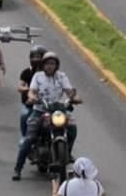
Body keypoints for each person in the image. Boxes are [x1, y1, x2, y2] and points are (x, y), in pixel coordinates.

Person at [13, 52, 78, 180]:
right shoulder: (38, 76)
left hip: (58, 110)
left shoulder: (61, 76)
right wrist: (32, 97)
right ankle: (18, 168)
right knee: (29, 138)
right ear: (43, 65)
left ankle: (67, 153)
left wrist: (75, 98)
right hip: (40, 110)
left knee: (72, 129)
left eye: (52, 64)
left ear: (56, 65)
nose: (50, 66)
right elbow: (31, 91)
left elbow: (70, 91)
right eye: (47, 63)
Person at [17, 45, 45, 138]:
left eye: (39, 57)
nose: (36, 59)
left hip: (46, 105)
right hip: (30, 104)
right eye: (34, 57)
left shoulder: (50, 73)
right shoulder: (26, 72)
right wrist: (29, 90)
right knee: (25, 115)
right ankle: (25, 137)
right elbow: (20, 86)